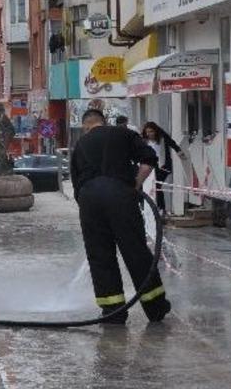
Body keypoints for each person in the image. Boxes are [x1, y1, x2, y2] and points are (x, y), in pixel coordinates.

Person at [70, 109, 171, 324]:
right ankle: (156, 308)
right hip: (120, 195)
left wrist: (88, 205)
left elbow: (75, 182)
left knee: (99, 255)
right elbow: (149, 159)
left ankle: (112, 312)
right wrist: (135, 184)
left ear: (86, 126)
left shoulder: (80, 144)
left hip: (89, 200)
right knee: (135, 250)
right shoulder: (123, 134)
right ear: (104, 122)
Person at [141, 121, 187, 213]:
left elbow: (172, 143)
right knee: (151, 186)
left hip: (163, 165)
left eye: (151, 131)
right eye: (147, 132)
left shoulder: (162, 138)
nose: (149, 134)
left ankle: (161, 208)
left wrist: (179, 152)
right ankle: (151, 208)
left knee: (157, 185)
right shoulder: (144, 141)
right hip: (151, 166)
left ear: (156, 131)